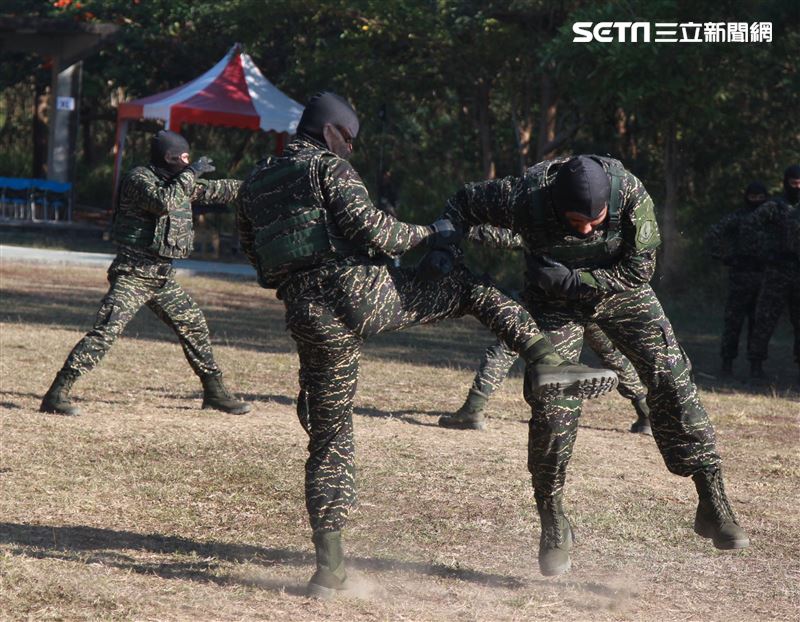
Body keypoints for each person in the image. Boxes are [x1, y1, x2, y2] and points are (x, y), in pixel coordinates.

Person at [236, 92, 618, 599]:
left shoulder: (255, 182)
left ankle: (329, 571)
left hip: (307, 313)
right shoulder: (327, 168)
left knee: (328, 439)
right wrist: (431, 234)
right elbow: (374, 229)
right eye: (349, 139)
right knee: (470, 288)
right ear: (330, 133)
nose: (350, 149)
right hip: (358, 294)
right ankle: (550, 363)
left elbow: (255, 254)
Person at [441, 154, 750, 577]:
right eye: (574, 220)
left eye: (596, 220)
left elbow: (640, 268)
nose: (586, 229)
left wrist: (578, 281)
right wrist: (445, 254)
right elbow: (461, 203)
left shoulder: (630, 195)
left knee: (671, 376)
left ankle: (712, 501)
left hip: (621, 292)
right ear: (554, 203)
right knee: (553, 402)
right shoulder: (523, 197)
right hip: (553, 303)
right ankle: (553, 519)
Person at [40, 130, 250, 417]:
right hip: (133, 274)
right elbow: (163, 202)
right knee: (105, 331)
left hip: (161, 278)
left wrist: (257, 184)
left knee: (195, 326)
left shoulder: (178, 181)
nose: (189, 164)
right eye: (185, 158)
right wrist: (191, 173)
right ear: (169, 157)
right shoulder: (139, 180)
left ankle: (214, 392)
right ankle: (57, 393)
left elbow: (217, 190)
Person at [440, 225, 651, 434]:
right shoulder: (594, 223)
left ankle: (473, 409)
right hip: (588, 299)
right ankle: (645, 412)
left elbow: (510, 237)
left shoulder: (549, 220)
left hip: (549, 303)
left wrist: (460, 228)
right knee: (610, 354)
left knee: (506, 345)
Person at [704, 181, 769, 377]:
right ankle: (727, 364)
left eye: (760, 197)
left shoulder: (771, 219)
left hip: (764, 277)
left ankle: (756, 366)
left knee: (758, 324)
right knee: (734, 322)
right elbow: (713, 235)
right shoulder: (738, 217)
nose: (756, 201)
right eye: (752, 197)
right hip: (740, 277)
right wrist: (724, 257)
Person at [746, 165, 800, 380]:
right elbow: (749, 226)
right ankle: (756, 365)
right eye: (793, 183)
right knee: (765, 319)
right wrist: (765, 252)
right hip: (777, 271)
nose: (797, 187)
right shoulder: (774, 207)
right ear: (785, 182)